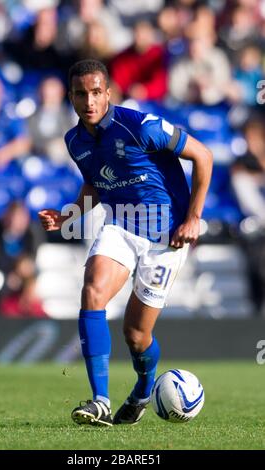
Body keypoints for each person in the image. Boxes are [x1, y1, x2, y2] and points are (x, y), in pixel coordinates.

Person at [38, 59, 213, 427]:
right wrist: (69, 216)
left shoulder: (139, 126)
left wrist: (193, 218)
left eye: (96, 92)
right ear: (70, 97)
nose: (89, 101)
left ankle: (144, 389)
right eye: (81, 93)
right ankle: (100, 400)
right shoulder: (75, 141)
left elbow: (203, 155)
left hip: (165, 237)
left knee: (136, 335)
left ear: (108, 93)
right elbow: (97, 183)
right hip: (120, 227)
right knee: (92, 292)